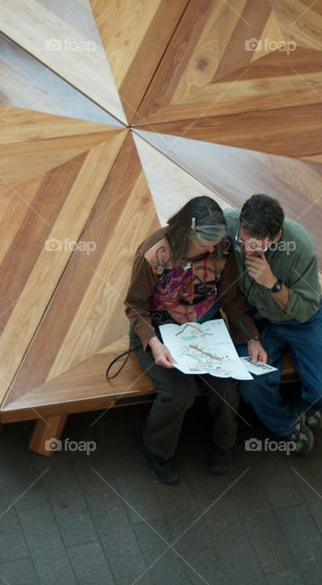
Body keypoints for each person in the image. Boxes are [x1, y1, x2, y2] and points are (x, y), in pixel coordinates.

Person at [124, 196, 266, 483]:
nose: (213, 250)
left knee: (227, 389)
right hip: (158, 330)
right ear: (187, 234)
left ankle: (224, 444)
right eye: (205, 245)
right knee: (179, 393)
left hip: (206, 327)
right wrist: (153, 343)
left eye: (216, 244)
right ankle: (155, 449)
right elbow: (135, 306)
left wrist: (251, 337)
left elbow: (231, 298)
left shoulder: (221, 248)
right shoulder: (153, 254)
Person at [224, 194, 322, 456]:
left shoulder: (301, 247)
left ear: (275, 238)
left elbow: (306, 308)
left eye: (255, 247)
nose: (246, 252)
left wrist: (273, 283)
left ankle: (302, 404)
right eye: (242, 243)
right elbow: (192, 224)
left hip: (300, 319)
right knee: (251, 385)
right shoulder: (230, 223)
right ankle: (287, 424)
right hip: (257, 320)